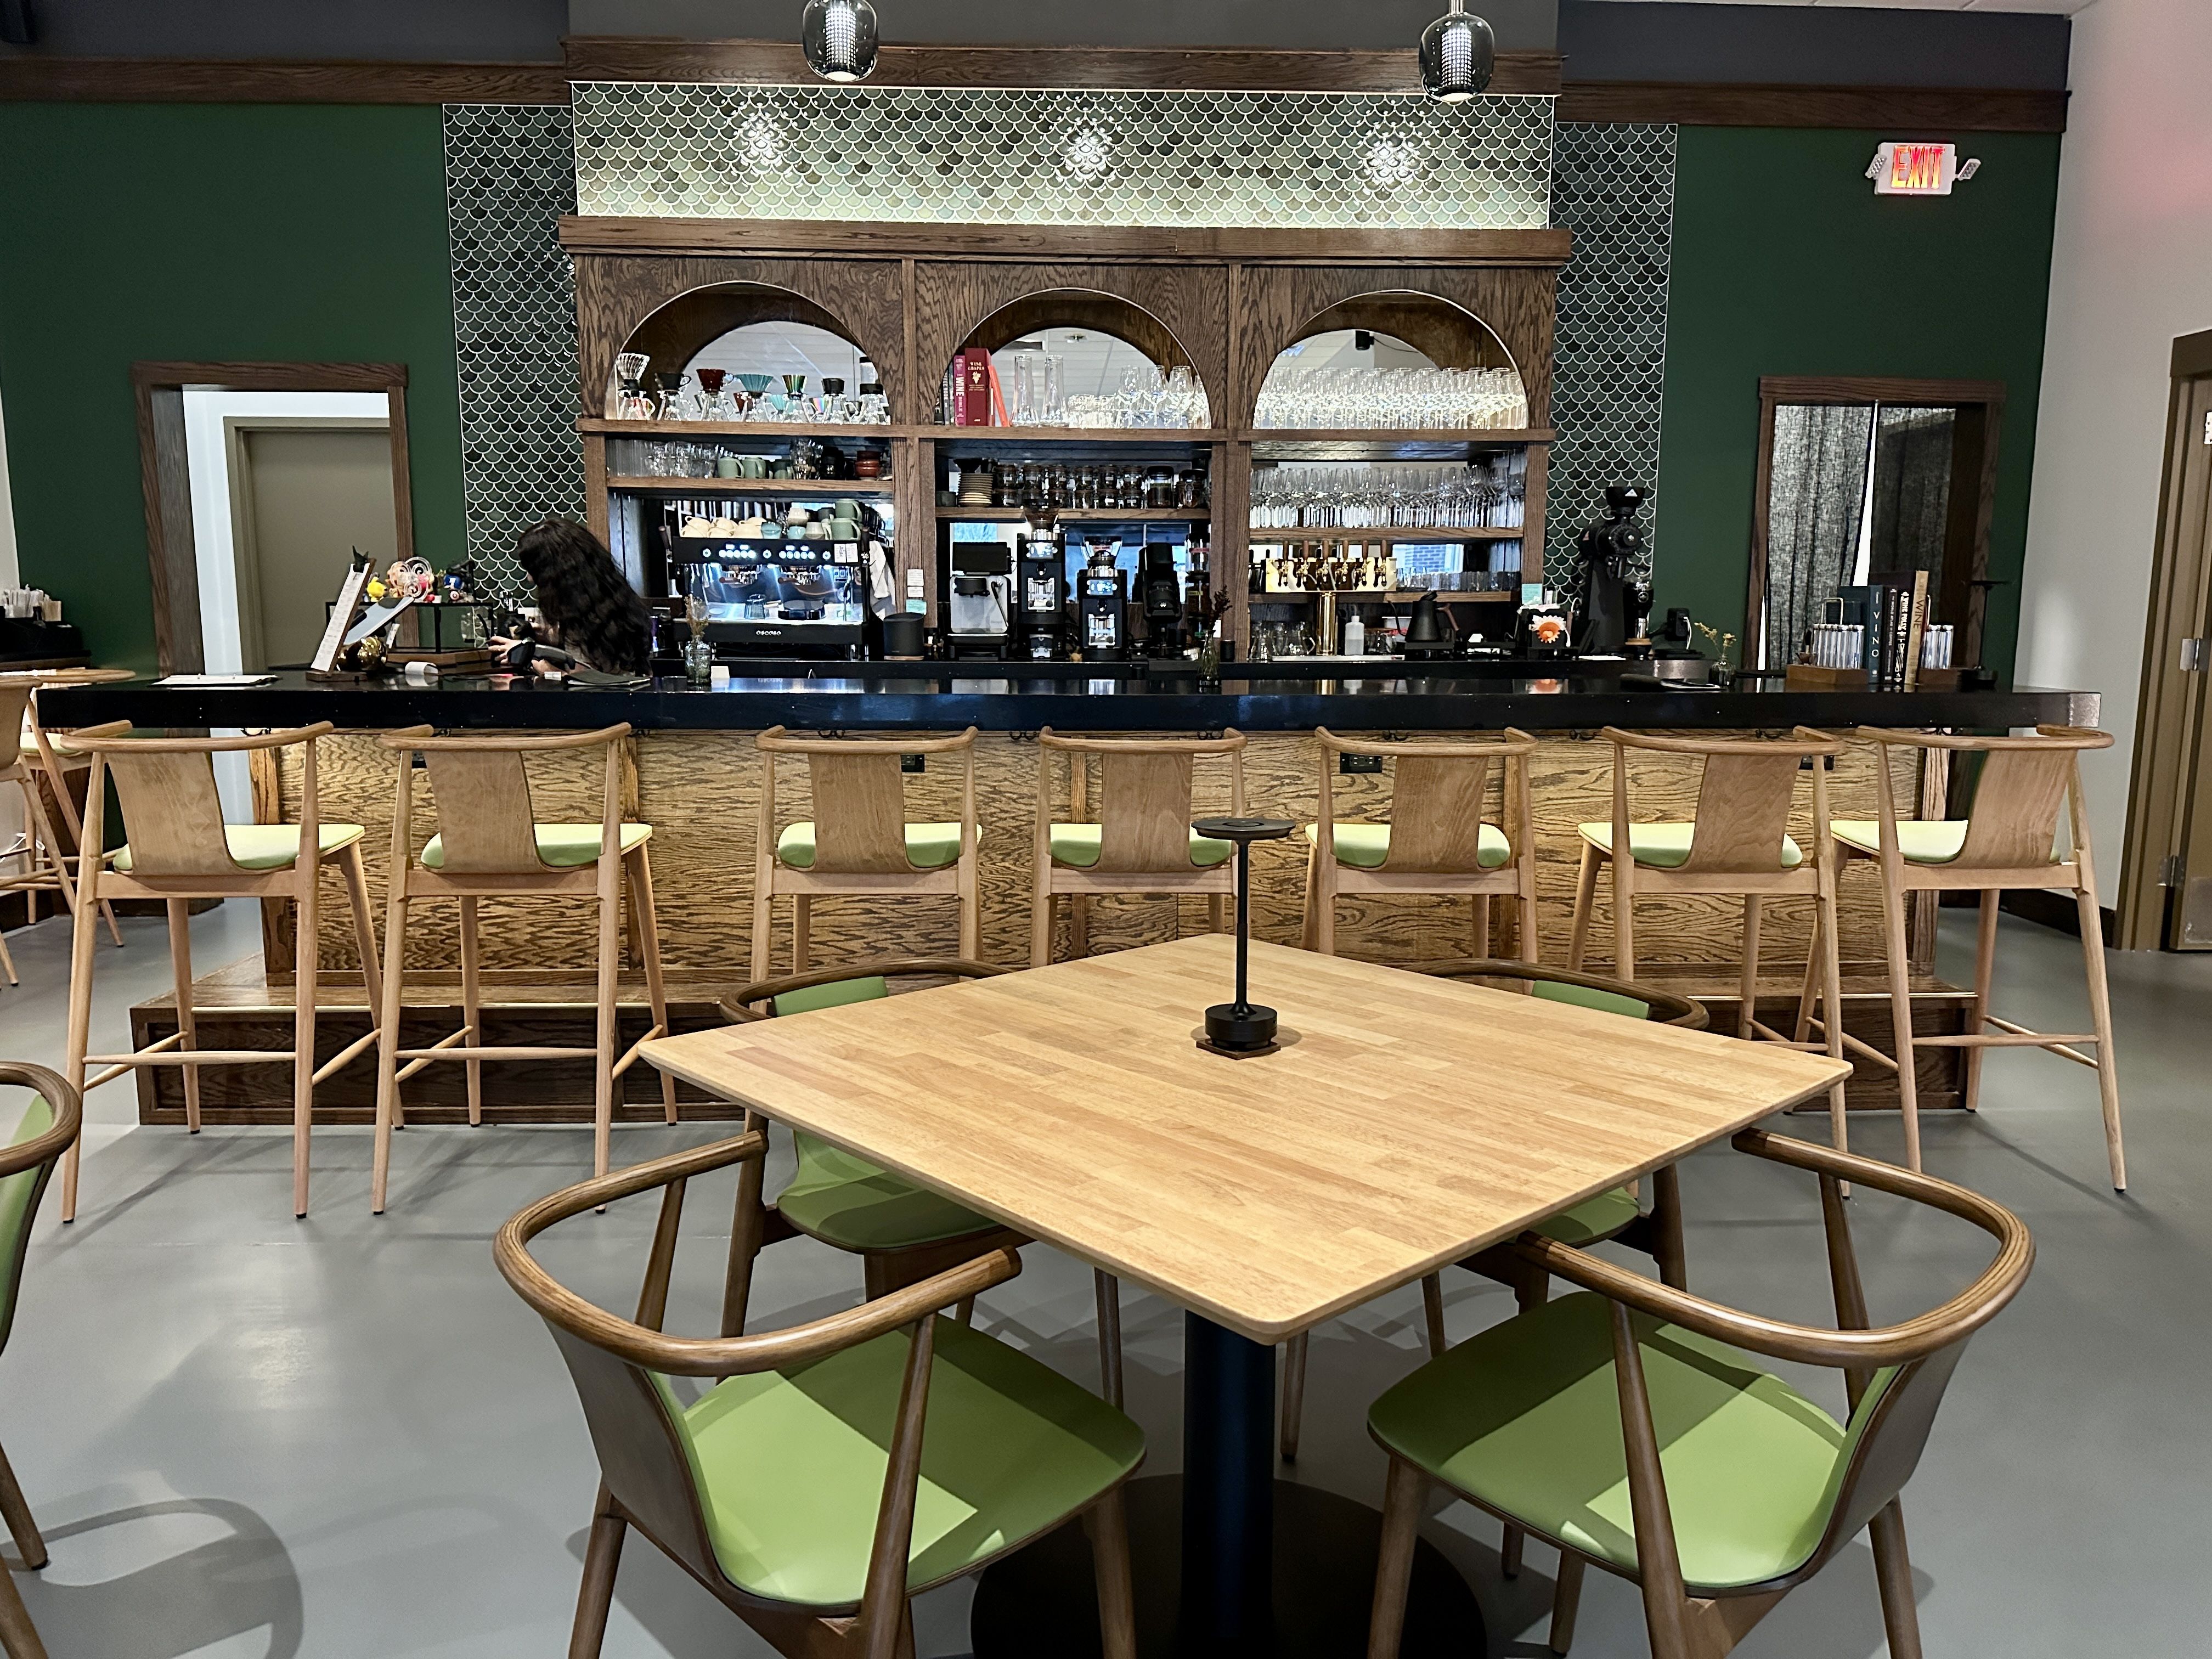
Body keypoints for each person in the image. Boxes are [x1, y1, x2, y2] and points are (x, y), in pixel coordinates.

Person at [509, 518, 653, 675]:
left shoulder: (580, 621)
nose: (530, 578)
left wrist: (530, 659)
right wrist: (549, 637)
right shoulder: (612, 602)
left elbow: (580, 683)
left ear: (553, 573)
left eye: (533, 570)